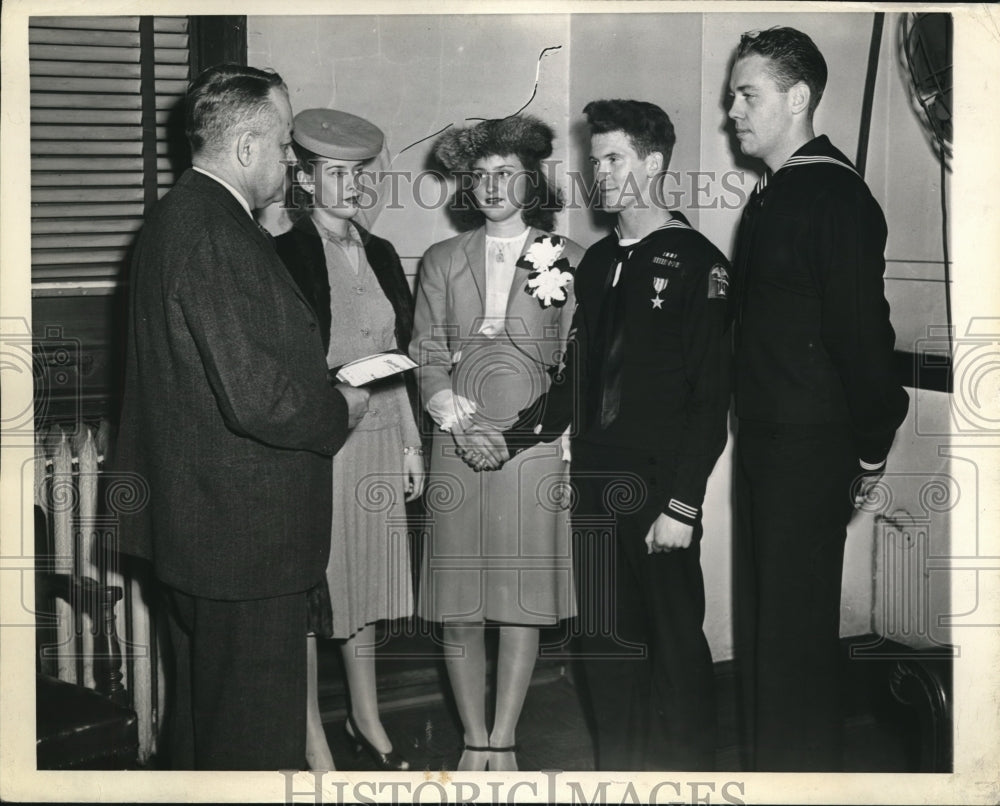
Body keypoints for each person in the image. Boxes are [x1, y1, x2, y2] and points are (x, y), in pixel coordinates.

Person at [114, 65, 369, 769]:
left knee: (204, 733)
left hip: (204, 533)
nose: (293, 158)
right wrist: (338, 407)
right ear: (250, 146)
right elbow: (259, 397)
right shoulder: (215, 233)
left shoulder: (182, 220)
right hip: (244, 544)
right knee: (253, 748)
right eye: (286, 142)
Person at [499, 100, 733, 771]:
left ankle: (690, 782)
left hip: (660, 489)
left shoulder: (698, 263)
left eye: (613, 158)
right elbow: (578, 377)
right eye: (594, 159)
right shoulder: (597, 262)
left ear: (653, 164)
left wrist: (682, 506)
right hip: (595, 483)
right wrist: (509, 438)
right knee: (604, 645)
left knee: (674, 650)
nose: (598, 172)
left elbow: (710, 399)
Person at [726, 27, 910, 770]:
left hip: (808, 449)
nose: (733, 110)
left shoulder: (835, 195)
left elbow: (865, 342)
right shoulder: (777, 196)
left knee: (793, 639)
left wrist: (870, 445)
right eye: (734, 95)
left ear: (797, 97)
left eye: (748, 94)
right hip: (770, 444)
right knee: (770, 629)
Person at [409, 115, 584, 772]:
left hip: (531, 449)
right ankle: (471, 736)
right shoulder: (441, 260)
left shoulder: (560, 256)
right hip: (459, 442)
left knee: (519, 600)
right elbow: (425, 350)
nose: (491, 186)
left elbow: (572, 360)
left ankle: (503, 740)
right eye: (479, 175)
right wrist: (449, 411)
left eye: (505, 173)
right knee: (459, 606)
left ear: (531, 179)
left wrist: (536, 436)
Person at [274, 108, 424, 771]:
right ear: (304, 179)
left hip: (383, 436)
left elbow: (403, 354)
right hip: (328, 440)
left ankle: (366, 717)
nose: (350, 185)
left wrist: (413, 444)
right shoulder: (285, 252)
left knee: (362, 589)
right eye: (334, 173)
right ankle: (313, 736)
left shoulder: (383, 251)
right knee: (317, 592)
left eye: (358, 173)